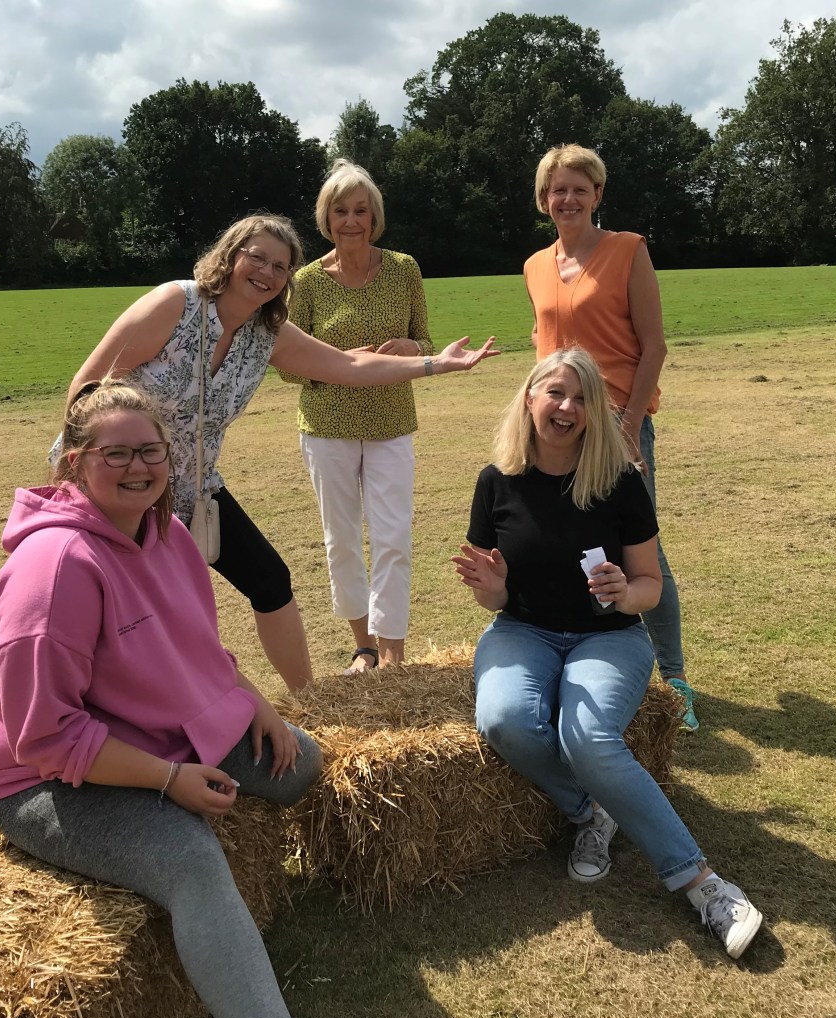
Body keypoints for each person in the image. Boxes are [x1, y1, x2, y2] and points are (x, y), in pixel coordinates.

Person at [0, 379, 324, 1018]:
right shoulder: (54, 568)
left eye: (150, 450)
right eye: (116, 453)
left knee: (300, 762)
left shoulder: (168, 532)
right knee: (191, 861)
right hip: (43, 776)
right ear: (75, 462)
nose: (138, 467)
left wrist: (257, 705)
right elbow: (46, 737)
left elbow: (198, 651)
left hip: (158, 728)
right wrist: (168, 780)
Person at [64, 214, 497, 692]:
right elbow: (86, 388)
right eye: (258, 258)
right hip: (117, 485)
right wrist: (84, 475)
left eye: (281, 266)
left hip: (193, 489)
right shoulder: (177, 303)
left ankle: (308, 699)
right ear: (231, 256)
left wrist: (435, 364)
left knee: (269, 579)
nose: (267, 273)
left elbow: (348, 366)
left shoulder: (265, 333)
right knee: (137, 607)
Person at [451, 350, 762, 959]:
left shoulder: (619, 483)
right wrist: (493, 590)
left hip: (609, 636)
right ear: (529, 398)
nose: (567, 407)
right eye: (555, 393)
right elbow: (493, 591)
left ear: (595, 412)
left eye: (582, 398)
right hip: (523, 628)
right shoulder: (496, 480)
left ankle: (703, 885)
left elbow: (652, 586)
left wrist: (625, 592)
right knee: (502, 718)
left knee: (588, 737)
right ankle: (591, 810)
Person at [524, 144, 697, 730]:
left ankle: (674, 680)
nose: (568, 199)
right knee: (563, 538)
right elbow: (544, 346)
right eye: (558, 190)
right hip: (556, 422)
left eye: (580, 188)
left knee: (642, 548)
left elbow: (654, 346)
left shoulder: (628, 250)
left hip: (619, 421)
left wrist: (627, 425)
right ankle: (576, 660)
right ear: (544, 199)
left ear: (598, 194)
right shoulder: (534, 266)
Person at [283, 160, 429, 673]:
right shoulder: (306, 281)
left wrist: (413, 347)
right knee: (341, 540)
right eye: (340, 211)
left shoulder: (404, 269)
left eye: (361, 211)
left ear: (374, 216)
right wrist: (340, 365)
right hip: (328, 428)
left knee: (394, 537)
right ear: (327, 218)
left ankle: (393, 652)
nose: (351, 221)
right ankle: (363, 646)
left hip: (392, 424)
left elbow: (425, 340)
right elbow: (287, 363)